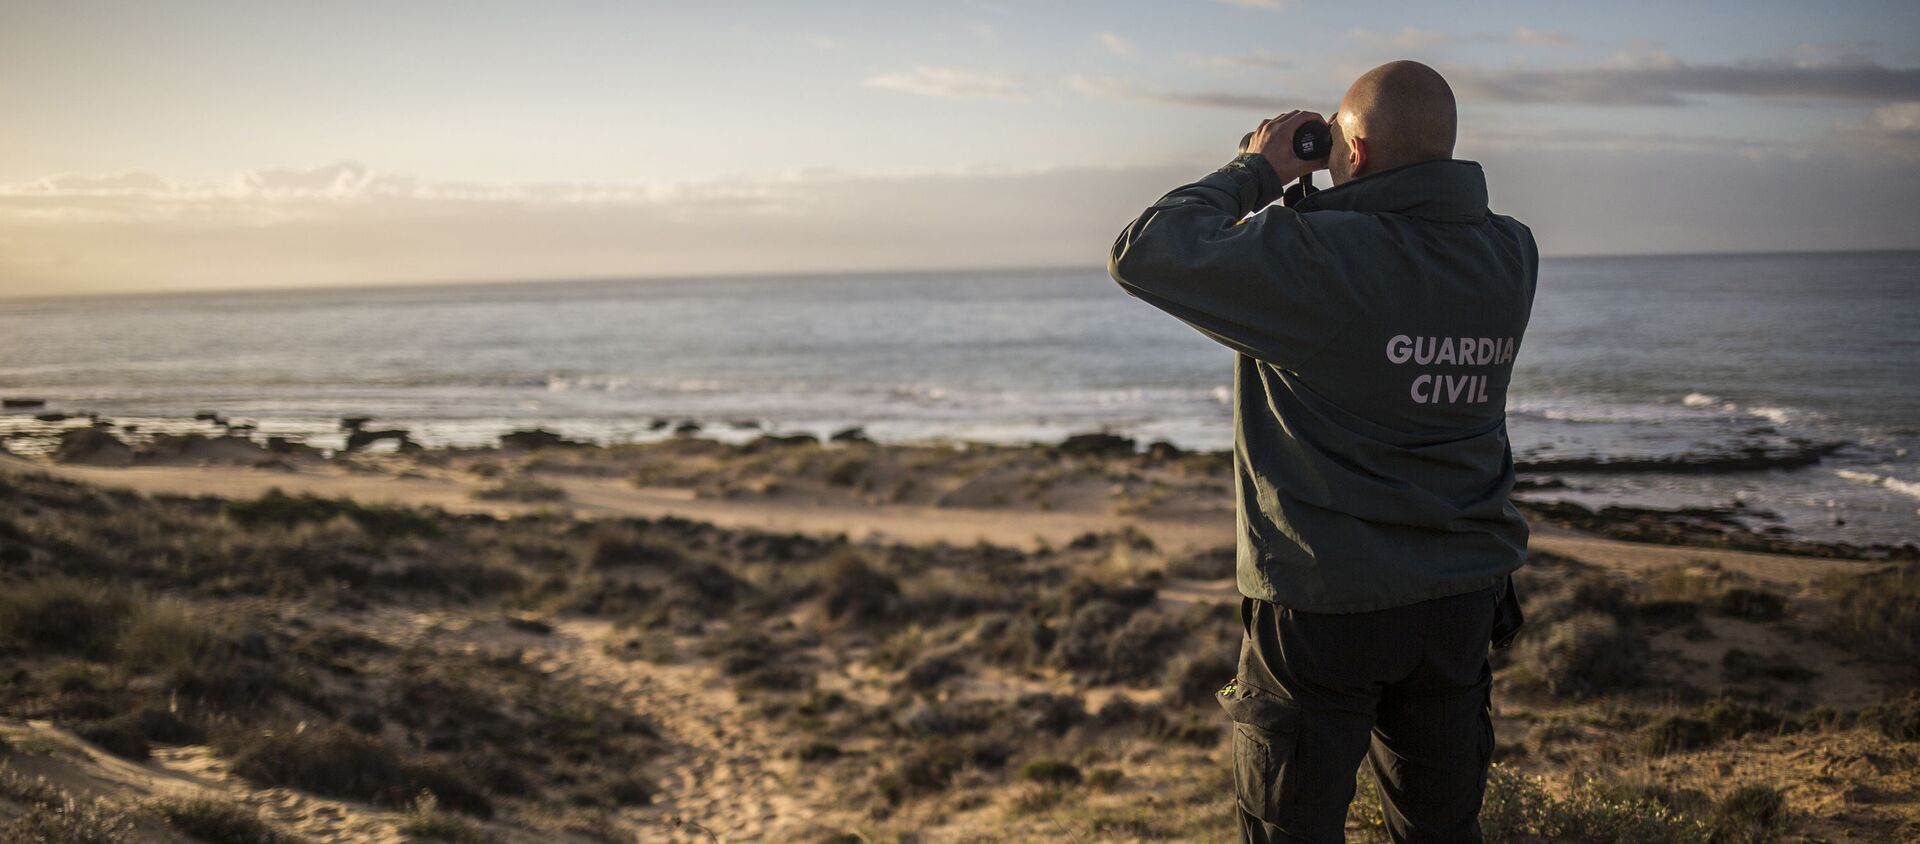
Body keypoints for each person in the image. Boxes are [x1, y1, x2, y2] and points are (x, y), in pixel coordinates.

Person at [1107, 61, 1537, 843]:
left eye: (1337, 143)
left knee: (1290, 828)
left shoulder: (1314, 257)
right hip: (1460, 598)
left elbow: (1146, 251)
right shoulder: (1510, 255)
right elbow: (1393, 275)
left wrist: (1259, 170)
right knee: (1442, 829)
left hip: (1325, 603)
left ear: (1357, 152)